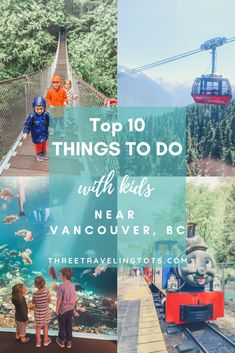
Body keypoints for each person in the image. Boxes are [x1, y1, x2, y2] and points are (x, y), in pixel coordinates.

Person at [22, 96, 49, 162]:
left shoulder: (46, 114)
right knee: (38, 144)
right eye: (37, 109)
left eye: (41, 109)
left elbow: (50, 121)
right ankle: (39, 153)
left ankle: (44, 151)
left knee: (44, 143)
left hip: (44, 133)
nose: (39, 111)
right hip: (36, 134)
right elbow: (27, 125)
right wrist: (25, 132)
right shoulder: (32, 116)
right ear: (34, 108)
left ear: (44, 108)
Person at [56, 268, 76, 349]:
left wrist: (57, 309)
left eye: (60, 274)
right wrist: (73, 307)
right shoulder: (73, 285)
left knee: (62, 326)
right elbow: (74, 298)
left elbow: (59, 299)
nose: (59, 275)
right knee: (69, 326)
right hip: (70, 309)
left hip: (63, 310)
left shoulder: (61, 286)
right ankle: (69, 342)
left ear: (64, 276)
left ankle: (61, 341)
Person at [32, 276, 51, 347]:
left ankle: (38, 342)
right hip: (45, 311)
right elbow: (49, 301)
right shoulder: (47, 292)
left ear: (35, 285)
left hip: (37, 312)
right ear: (44, 284)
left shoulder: (34, 294)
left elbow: (33, 302)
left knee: (38, 327)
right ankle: (45, 341)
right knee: (45, 326)